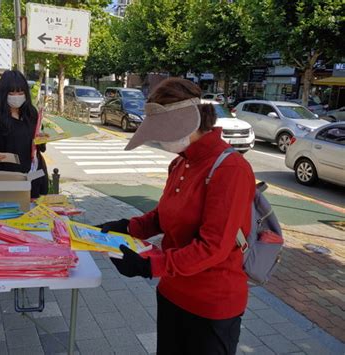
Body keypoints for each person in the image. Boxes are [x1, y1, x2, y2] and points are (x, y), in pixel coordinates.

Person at [99, 78, 256, 355]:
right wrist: (125, 227)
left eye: (162, 130)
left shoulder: (231, 169)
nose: (159, 138)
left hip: (211, 305)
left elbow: (214, 247)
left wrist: (150, 266)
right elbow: (163, 217)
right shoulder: (181, 162)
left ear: (185, 123)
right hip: (172, 293)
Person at [0, 70, 49, 198]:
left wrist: (41, 139)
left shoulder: (31, 113)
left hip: (35, 174)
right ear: (4, 94)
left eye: (21, 93)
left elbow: (39, 145)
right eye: (12, 93)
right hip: (9, 178)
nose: (17, 96)